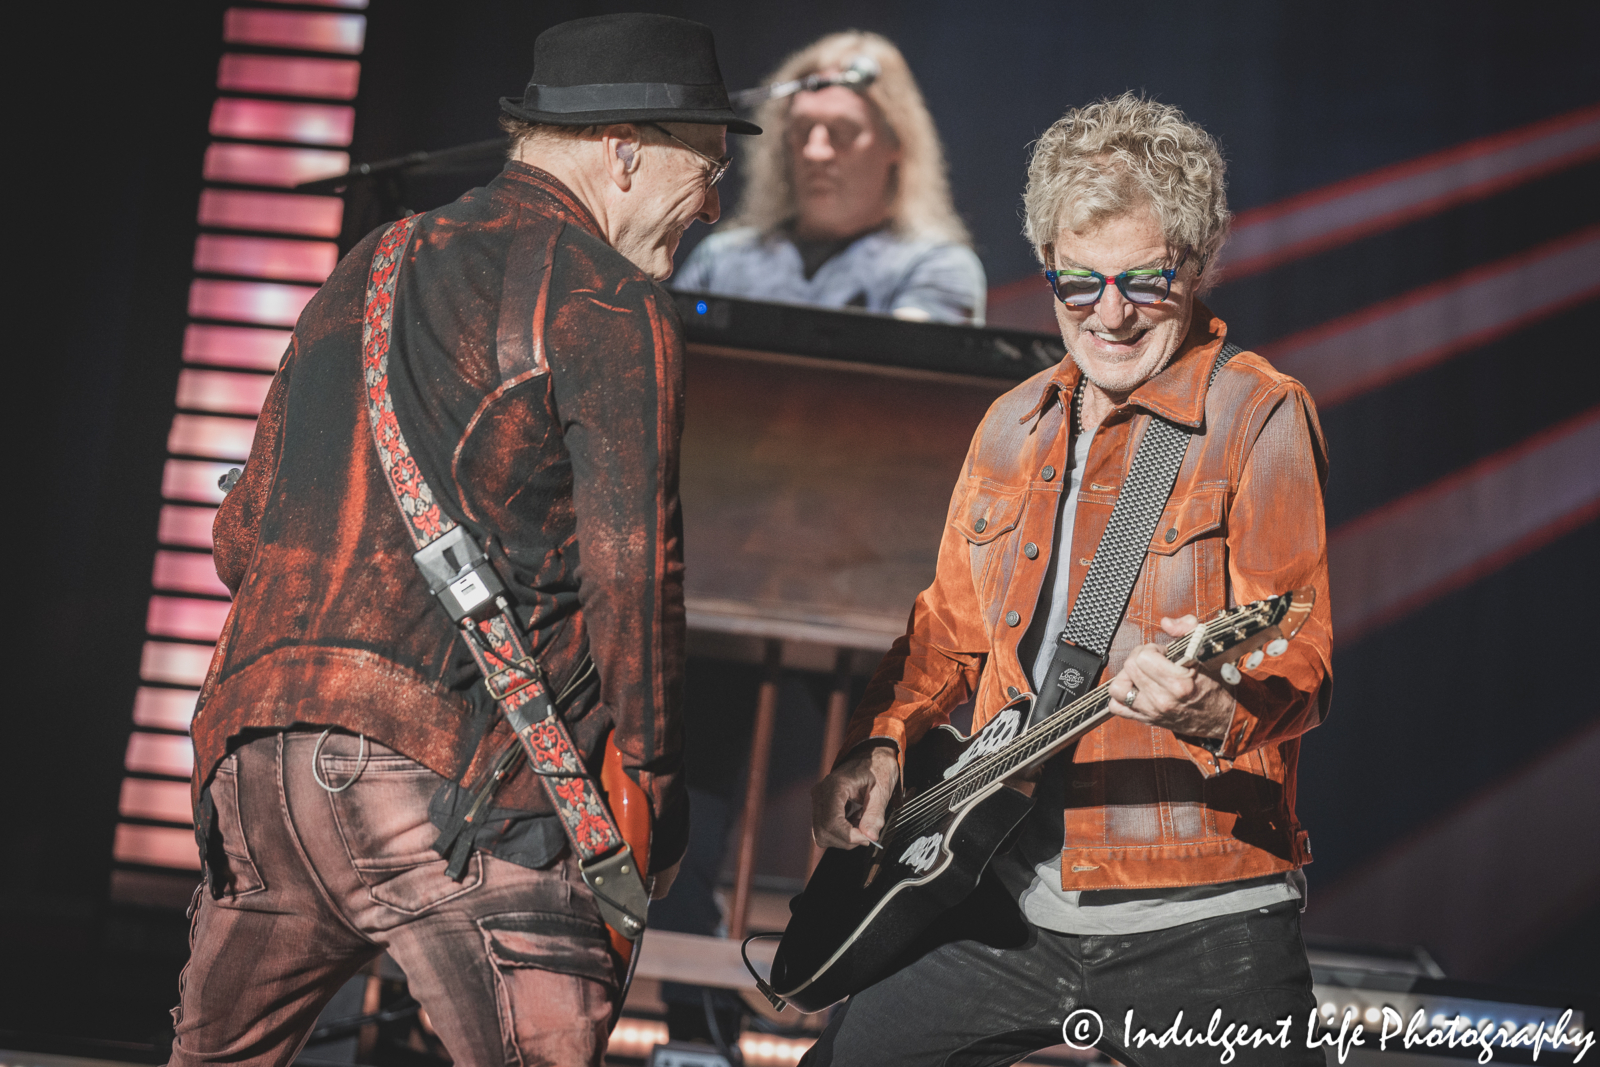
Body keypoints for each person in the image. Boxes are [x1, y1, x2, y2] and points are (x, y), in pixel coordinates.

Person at [173, 15, 758, 1065]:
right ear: (626, 149)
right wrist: (656, 783)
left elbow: (237, 540)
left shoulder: (373, 260)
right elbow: (634, 574)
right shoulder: (610, 298)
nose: (714, 202)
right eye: (707, 164)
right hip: (453, 780)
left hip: (256, 765)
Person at [804, 93, 1333, 1067]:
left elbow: (1295, 652)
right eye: (1077, 283)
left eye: (1144, 279)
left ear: (1199, 262)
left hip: (1199, 912)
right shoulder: (1012, 422)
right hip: (998, 888)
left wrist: (1209, 705)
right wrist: (882, 743)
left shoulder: (1259, 417)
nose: (1111, 312)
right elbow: (946, 631)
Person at [674, 31, 987, 324]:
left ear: (897, 144)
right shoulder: (721, 261)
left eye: (842, 132)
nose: (815, 151)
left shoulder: (936, 267)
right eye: (801, 130)